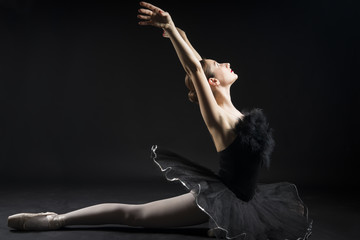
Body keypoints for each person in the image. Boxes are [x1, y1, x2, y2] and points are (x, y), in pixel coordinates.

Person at [8, 2, 312, 239]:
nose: (227, 63)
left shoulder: (239, 115)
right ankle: (56, 220)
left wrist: (177, 31)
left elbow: (198, 62)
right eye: (220, 65)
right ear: (213, 84)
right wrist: (170, 30)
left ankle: (216, 226)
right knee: (135, 216)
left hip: (245, 201)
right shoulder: (218, 117)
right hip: (223, 197)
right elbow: (196, 70)